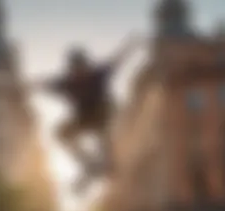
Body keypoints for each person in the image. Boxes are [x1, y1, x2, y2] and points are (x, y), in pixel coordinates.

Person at [29, 34, 145, 193]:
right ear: (71, 70)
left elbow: (118, 59)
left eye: (82, 69)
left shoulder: (98, 74)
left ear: (86, 66)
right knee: (61, 133)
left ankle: (108, 157)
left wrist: (132, 44)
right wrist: (28, 85)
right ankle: (88, 163)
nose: (79, 74)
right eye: (76, 71)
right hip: (83, 118)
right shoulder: (66, 83)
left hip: (103, 112)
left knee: (102, 127)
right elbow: (43, 84)